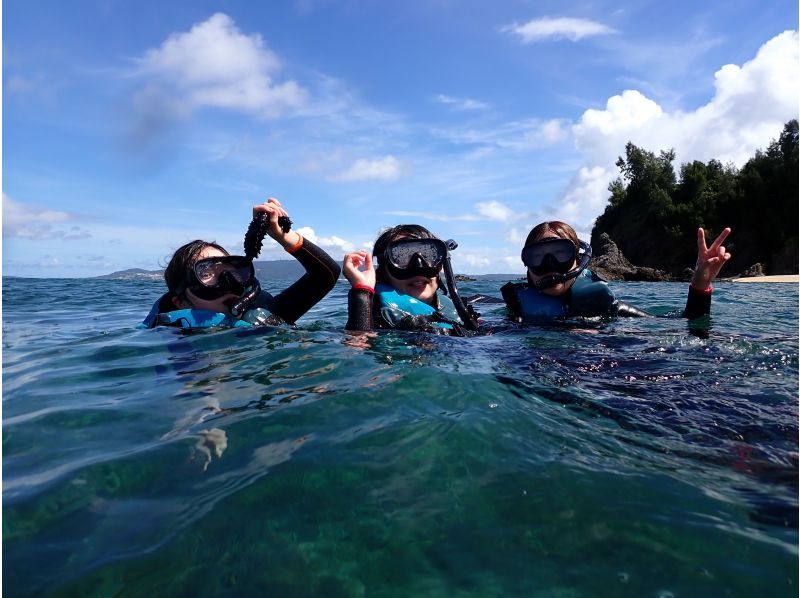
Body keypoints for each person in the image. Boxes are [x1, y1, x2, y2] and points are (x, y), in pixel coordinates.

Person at [141, 199, 341, 329]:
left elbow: (325, 275)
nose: (229, 281)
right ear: (181, 302)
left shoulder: (267, 313)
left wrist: (283, 236)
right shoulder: (172, 340)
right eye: (207, 272)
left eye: (232, 269)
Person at [501, 221, 732, 321]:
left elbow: (689, 325)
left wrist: (700, 286)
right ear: (527, 266)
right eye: (537, 257)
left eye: (560, 254)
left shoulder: (608, 308)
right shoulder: (515, 309)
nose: (549, 266)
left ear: (578, 260)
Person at [342, 224, 478, 335]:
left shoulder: (460, 311)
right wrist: (362, 292)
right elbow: (356, 353)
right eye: (402, 257)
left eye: (428, 255)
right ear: (384, 270)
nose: (418, 266)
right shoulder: (377, 318)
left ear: (441, 264)